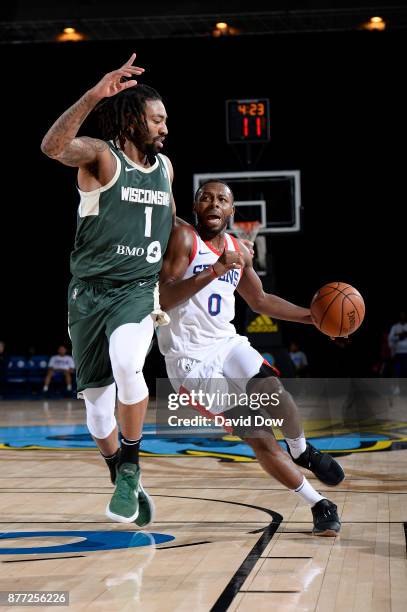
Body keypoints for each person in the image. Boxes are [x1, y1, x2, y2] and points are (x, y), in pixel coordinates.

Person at [158, 180, 344, 536]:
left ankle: (303, 451)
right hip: (190, 361)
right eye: (206, 198)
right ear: (196, 207)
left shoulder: (238, 250)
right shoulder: (184, 240)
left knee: (275, 392)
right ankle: (319, 503)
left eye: (222, 200)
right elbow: (163, 299)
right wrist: (214, 269)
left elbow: (260, 301)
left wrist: (314, 318)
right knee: (259, 436)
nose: (213, 204)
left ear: (231, 210)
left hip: (226, 343)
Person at [41, 53, 175, 526]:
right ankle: (120, 469)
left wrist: (212, 244)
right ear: (134, 119)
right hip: (88, 294)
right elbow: (53, 146)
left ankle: (132, 464)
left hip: (136, 289)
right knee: (97, 413)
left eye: (165, 120)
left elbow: (165, 220)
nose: (164, 127)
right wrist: (95, 95)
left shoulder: (165, 169)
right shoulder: (101, 157)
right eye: (157, 119)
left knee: (127, 361)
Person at [388, 310, 407, 378]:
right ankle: (398, 387)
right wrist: (399, 336)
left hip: (406, 353)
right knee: (397, 371)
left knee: (405, 371)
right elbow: (390, 339)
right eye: (401, 315)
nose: (403, 316)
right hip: (398, 352)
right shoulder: (395, 327)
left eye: (404, 315)